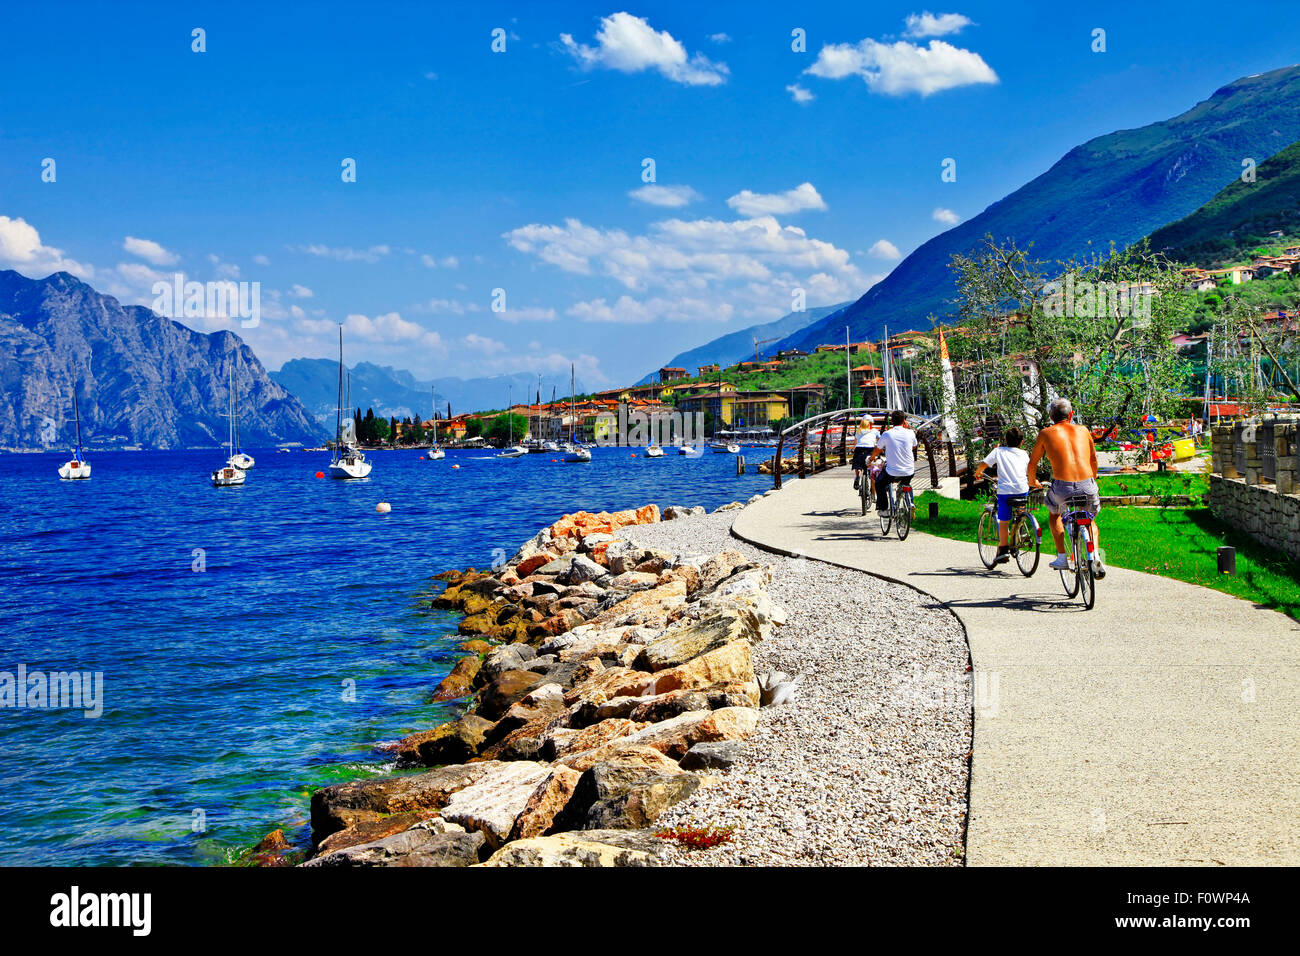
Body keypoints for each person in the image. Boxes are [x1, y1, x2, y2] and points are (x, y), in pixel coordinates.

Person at [1027, 397, 1106, 577]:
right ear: (1071, 414)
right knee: (1090, 519)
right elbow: (1093, 459)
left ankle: (1062, 557)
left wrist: (1032, 482)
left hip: (1063, 488)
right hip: (1087, 485)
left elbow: (1033, 464)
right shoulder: (1084, 430)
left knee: (1055, 513)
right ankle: (1094, 555)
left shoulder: (1046, 433)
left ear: (1050, 416)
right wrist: (1092, 480)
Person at [972, 426, 1030, 565]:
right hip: (1022, 489)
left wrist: (978, 472)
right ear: (1021, 442)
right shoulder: (1024, 454)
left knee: (1003, 520)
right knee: (1020, 509)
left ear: (1005, 440)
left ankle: (1003, 548)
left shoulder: (998, 451)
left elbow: (984, 464)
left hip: (1005, 491)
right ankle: (1020, 527)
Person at [868, 410, 916, 516]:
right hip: (910, 470)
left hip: (892, 472)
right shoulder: (910, 433)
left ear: (891, 421)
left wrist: (872, 458)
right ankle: (910, 502)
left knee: (879, 483)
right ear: (904, 421)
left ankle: (884, 509)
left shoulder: (887, 434)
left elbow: (878, 449)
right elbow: (913, 446)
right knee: (906, 482)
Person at [851, 416, 880, 492]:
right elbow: (879, 441)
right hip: (870, 449)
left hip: (859, 448)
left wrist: (853, 449)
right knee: (872, 466)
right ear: (871, 423)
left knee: (858, 464)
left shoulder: (858, 431)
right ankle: (873, 483)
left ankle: (858, 475)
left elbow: (855, 443)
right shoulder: (875, 431)